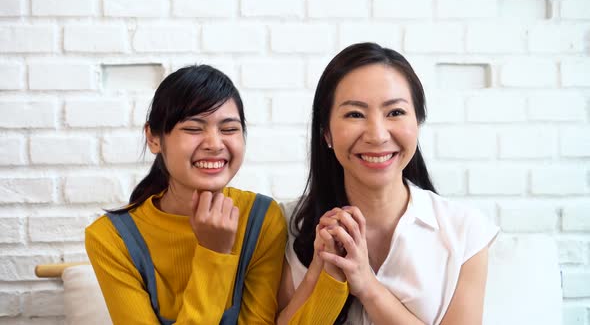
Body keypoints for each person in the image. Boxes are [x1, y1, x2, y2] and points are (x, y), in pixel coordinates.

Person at [277, 43, 499, 325]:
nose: (377, 135)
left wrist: (367, 286)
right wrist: (320, 277)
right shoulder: (286, 227)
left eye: (395, 112)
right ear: (327, 134)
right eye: (355, 114)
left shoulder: (464, 231)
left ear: (418, 122)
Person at [85, 65, 287, 324]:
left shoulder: (261, 218)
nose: (214, 144)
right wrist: (213, 253)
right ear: (154, 138)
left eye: (228, 129)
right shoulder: (110, 239)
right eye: (193, 129)